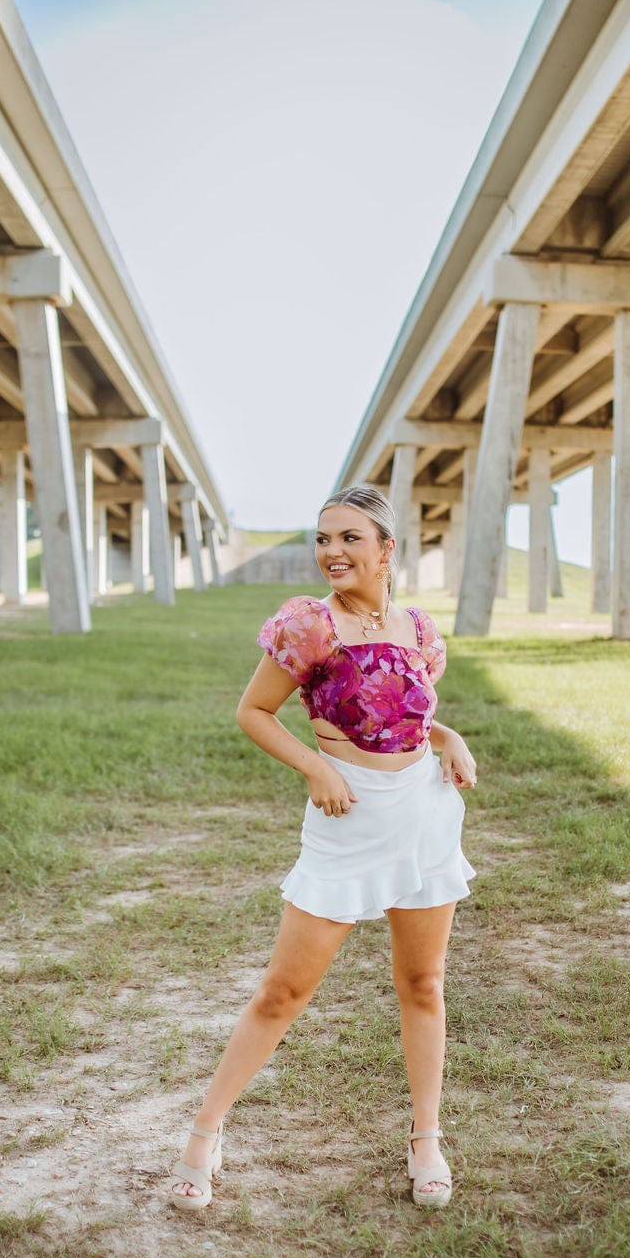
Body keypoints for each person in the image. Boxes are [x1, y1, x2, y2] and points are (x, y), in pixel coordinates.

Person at [170, 484, 476, 1211]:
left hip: (425, 820)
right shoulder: (310, 626)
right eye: (323, 539)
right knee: (283, 993)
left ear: (386, 548)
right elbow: (254, 712)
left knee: (423, 986)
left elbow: (405, 717)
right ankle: (204, 1135)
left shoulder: (421, 631)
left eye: (349, 538)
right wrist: (315, 766)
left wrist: (448, 734)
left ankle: (426, 1138)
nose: (331, 553)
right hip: (346, 826)